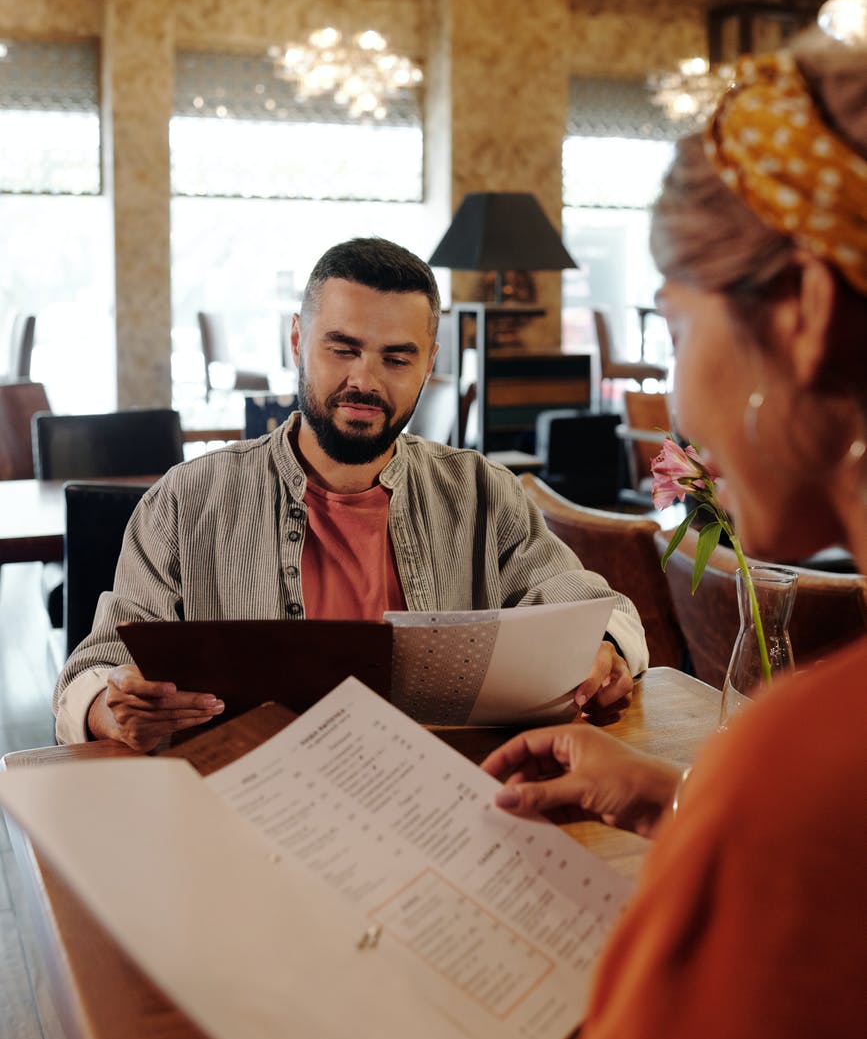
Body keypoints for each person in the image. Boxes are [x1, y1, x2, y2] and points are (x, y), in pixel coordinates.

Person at [482, 31, 867, 1039]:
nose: (679, 408)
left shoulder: (812, 752)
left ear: (803, 313)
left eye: (675, 320)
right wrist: (687, 798)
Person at [54, 238, 647, 750]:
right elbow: (92, 668)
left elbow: (605, 612)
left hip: (438, 797)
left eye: (395, 357)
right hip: (245, 808)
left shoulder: (483, 494)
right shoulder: (185, 501)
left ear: (429, 364)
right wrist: (111, 711)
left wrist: (604, 651)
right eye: (342, 349)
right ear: (296, 341)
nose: (364, 380)